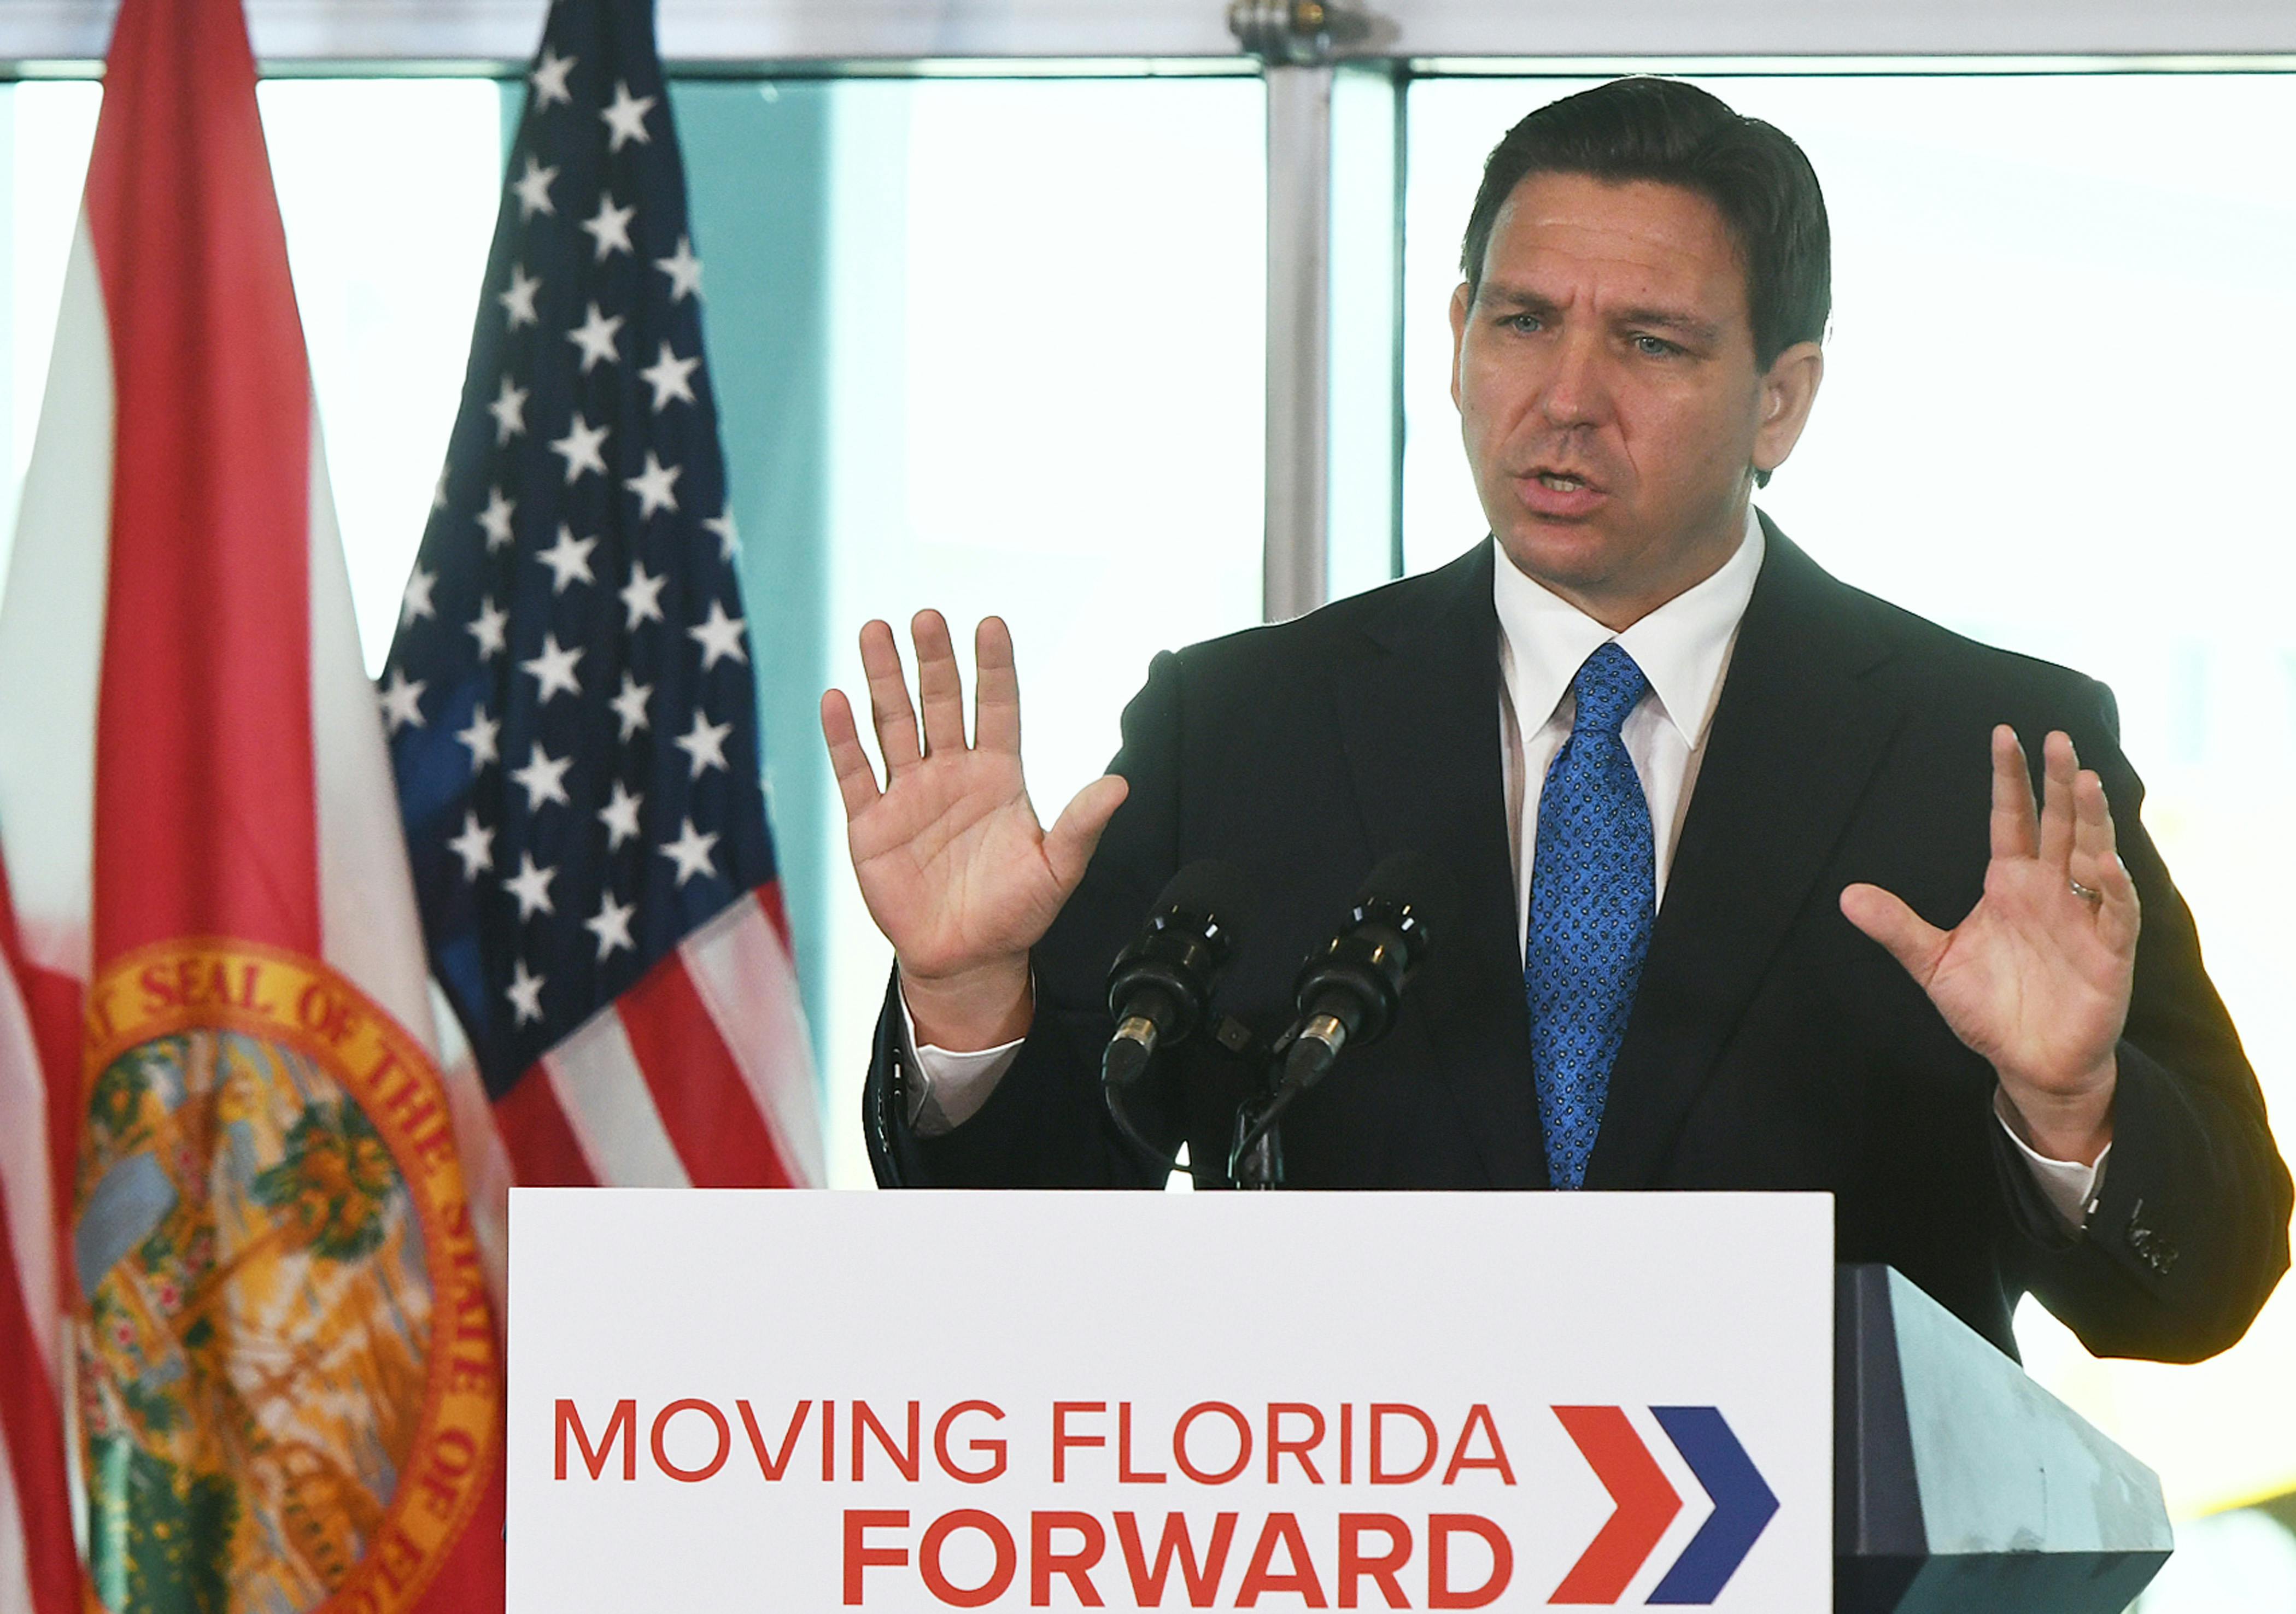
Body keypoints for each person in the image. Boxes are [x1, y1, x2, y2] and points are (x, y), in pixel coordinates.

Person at [818, 77, 2288, 1361]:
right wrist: (967, 1000)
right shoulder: (1241, 725)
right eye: (1524, 321)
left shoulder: (1995, 754)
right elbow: (1028, 1245)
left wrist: (2070, 1102)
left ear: (1781, 402)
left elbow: (2206, 1285)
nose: (1566, 397)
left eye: (1651, 343)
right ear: (1459, 336)